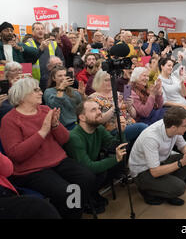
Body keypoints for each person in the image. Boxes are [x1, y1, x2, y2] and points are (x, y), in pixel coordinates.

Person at [0, 77, 96, 218]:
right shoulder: (9, 120)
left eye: (39, 89)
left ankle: (71, 213)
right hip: (31, 170)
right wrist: (42, 132)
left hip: (58, 160)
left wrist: (55, 125)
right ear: (22, 95)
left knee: (87, 177)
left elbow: (65, 139)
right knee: (68, 192)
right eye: (36, 90)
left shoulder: (45, 110)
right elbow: (16, 154)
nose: (40, 92)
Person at [129, 107, 186, 206]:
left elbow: (183, 146)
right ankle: (147, 190)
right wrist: (181, 163)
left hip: (161, 161)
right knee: (180, 188)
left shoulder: (172, 126)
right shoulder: (151, 138)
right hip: (143, 172)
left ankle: (167, 189)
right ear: (174, 127)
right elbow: (155, 172)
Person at [64, 100, 128, 213]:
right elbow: (88, 167)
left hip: (91, 169)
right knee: (103, 168)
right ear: (82, 117)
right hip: (76, 179)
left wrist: (121, 132)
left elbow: (114, 145)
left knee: (116, 164)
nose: (99, 112)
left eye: (99, 109)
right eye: (93, 110)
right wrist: (115, 159)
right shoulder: (74, 137)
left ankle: (92, 193)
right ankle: (85, 199)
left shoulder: (99, 129)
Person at [89, 70, 147, 146]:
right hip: (114, 130)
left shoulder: (119, 94)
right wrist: (114, 108)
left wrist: (129, 106)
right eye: (107, 80)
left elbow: (134, 115)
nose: (110, 82)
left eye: (112, 79)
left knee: (145, 132)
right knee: (143, 127)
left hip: (130, 125)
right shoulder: (93, 98)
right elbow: (99, 120)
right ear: (98, 81)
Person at [0, 151, 61, 219]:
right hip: (28, 170)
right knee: (38, 207)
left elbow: (7, 169)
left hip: (7, 192)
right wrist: (40, 139)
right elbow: (17, 155)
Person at [26, 22, 65, 91]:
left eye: (42, 28)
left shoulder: (53, 44)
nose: (40, 30)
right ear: (33, 32)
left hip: (52, 80)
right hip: (35, 81)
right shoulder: (28, 45)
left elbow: (62, 61)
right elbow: (27, 62)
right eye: (37, 29)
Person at [43, 66, 85, 130]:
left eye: (65, 75)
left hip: (77, 123)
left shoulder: (72, 90)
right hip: (61, 126)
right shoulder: (49, 91)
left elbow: (82, 106)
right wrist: (61, 88)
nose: (63, 78)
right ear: (54, 78)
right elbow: (55, 106)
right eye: (60, 76)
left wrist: (82, 95)